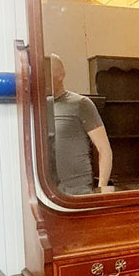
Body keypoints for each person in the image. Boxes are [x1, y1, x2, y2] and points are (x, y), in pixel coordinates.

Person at [50, 54, 113, 195]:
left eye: (48, 72)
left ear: (61, 74)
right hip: (49, 192)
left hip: (79, 191)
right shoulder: (38, 108)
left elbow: (104, 149)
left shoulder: (81, 104)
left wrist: (101, 188)